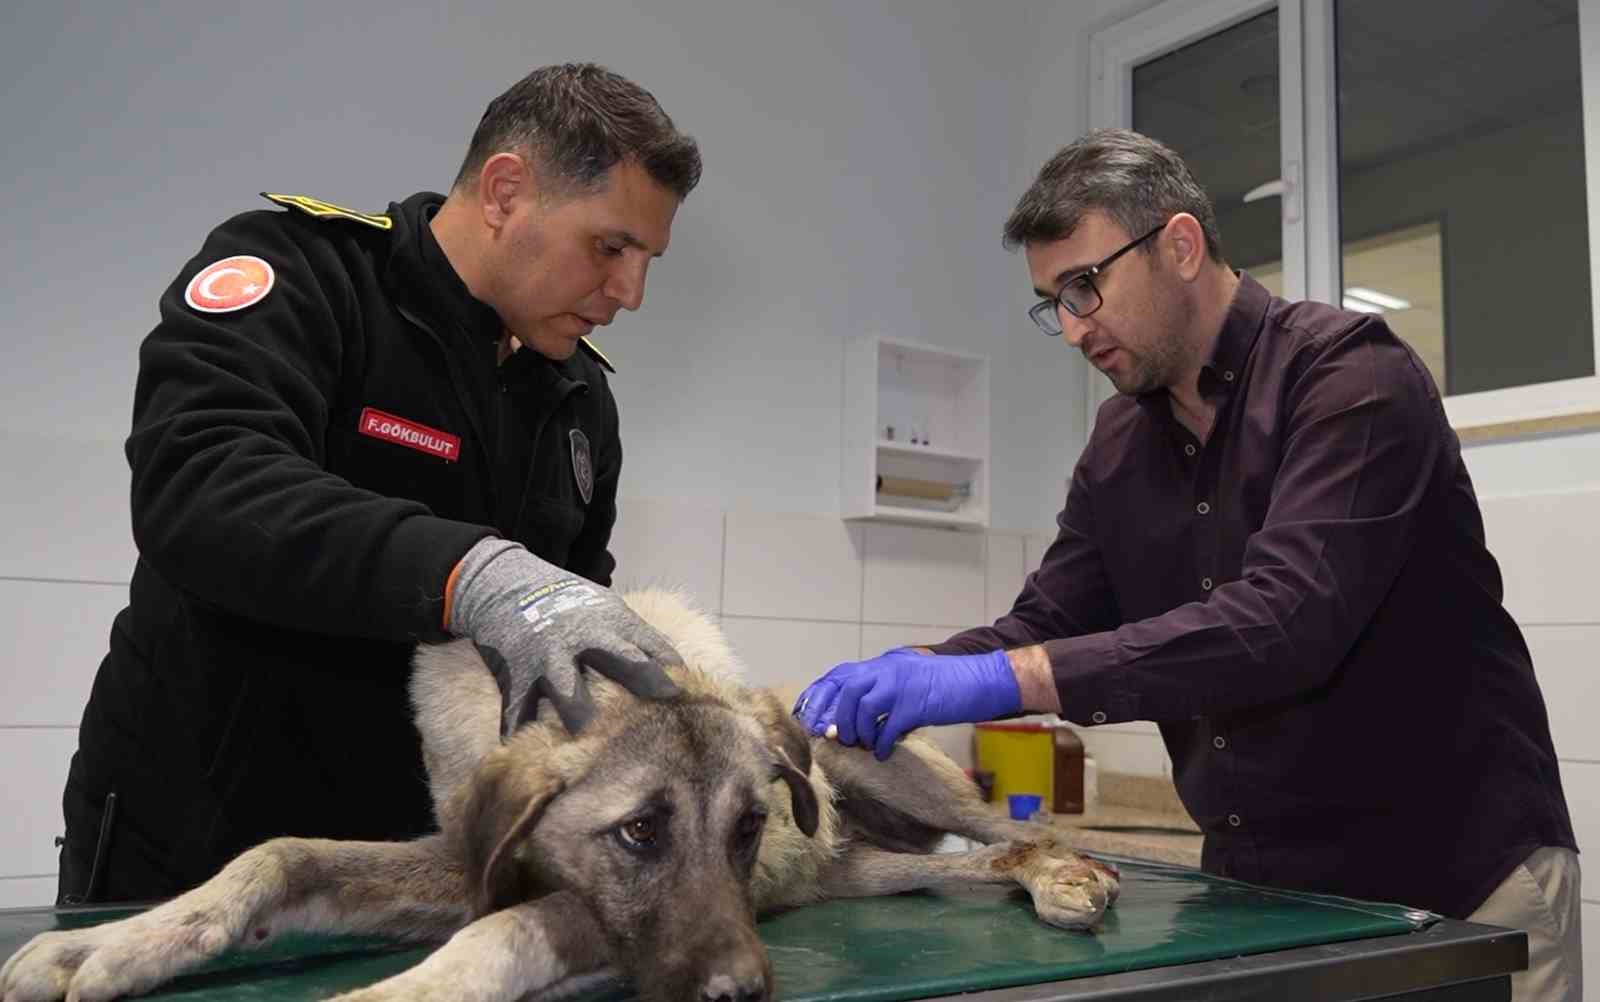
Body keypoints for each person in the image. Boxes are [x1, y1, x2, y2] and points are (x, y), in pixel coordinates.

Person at [795, 129, 1580, 1000]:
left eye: (1086, 285)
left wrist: (997, 681)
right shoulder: (1120, 444)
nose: (1071, 327)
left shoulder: (1351, 380)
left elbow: (1285, 623)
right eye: (1051, 301)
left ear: (1179, 245)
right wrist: (927, 668)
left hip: (1456, 882)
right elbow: (1047, 624)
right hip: (1268, 893)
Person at [60, 63, 701, 905]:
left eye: (647, 258)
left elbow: (563, 635)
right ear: (506, 191)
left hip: (413, 866)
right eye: (611, 246)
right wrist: (476, 577)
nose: (632, 292)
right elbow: (204, 483)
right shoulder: (304, 277)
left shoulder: (580, 400)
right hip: (197, 842)